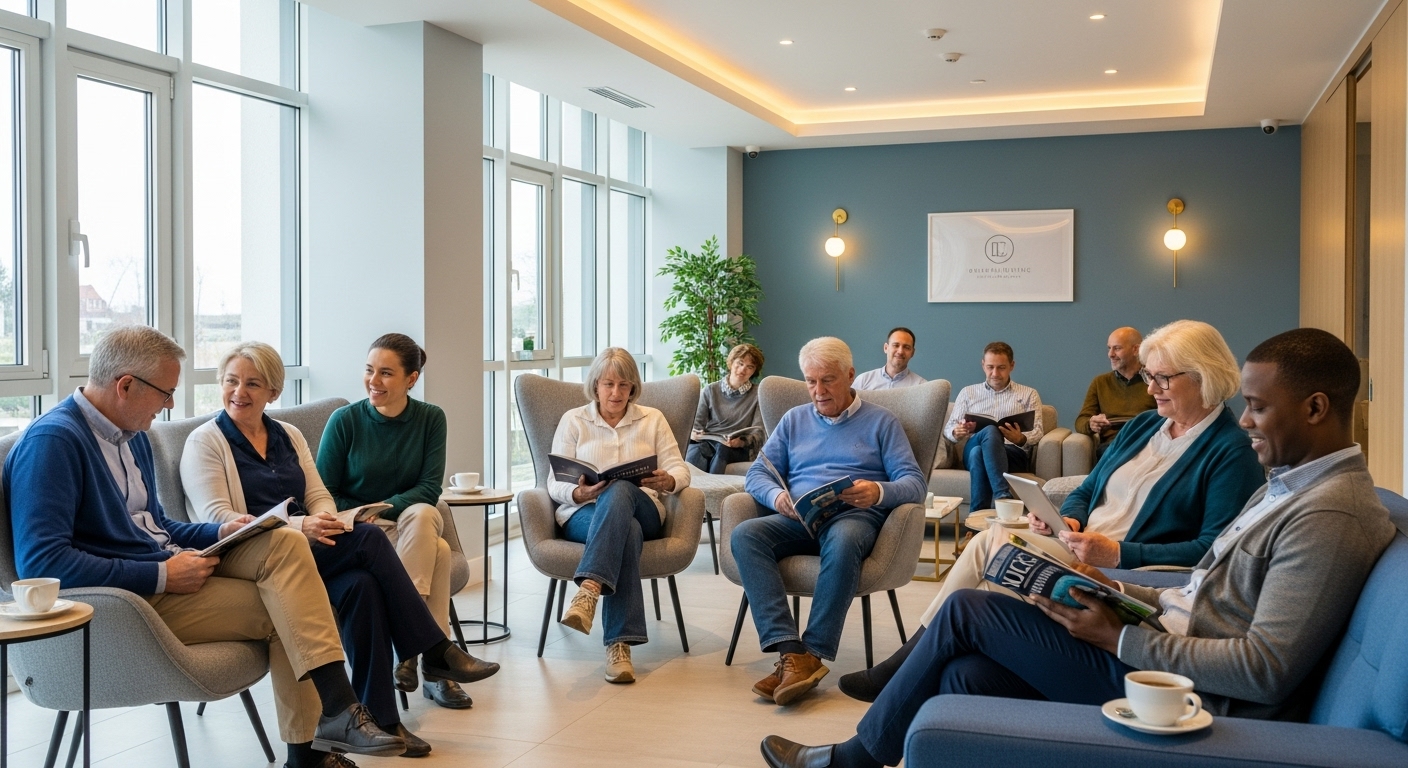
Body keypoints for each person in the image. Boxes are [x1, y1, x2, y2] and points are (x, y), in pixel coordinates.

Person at [759, 327, 1396, 768]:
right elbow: (1203, 588)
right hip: (1158, 630)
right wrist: (1124, 594)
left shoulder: (1330, 512)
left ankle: (853, 760)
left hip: (1181, 690)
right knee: (961, 674)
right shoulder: (1290, 487)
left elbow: (1264, 670)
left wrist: (1117, 635)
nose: (1247, 420)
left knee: (966, 610)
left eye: (1257, 407)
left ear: (1315, 408)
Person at [5, 326, 408, 768]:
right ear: (125, 386)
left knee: (283, 542)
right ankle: (313, 750)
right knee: (291, 607)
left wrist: (218, 532)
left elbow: (156, 526)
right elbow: (42, 565)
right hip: (126, 605)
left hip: (166, 569)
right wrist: (161, 575)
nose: (169, 405)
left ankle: (337, 714)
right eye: (166, 393)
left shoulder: (131, 436)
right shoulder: (54, 442)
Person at [839, 319, 1264, 702]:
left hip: (1118, 569)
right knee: (992, 548)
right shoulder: (1144, 426)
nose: (1151, 389)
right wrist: (1071, 518)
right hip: (1078, 543)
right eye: (1150, 377)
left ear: (1204, 376)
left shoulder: (1230, 451)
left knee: (991, 545)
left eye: (1163, 378)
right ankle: (922, 665)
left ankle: (904, 667)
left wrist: (1118, 553)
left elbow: (1212, 552)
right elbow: (1088, 487)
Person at [181, 342, 500, 757]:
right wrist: (304, 525)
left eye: (253, 384)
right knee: (368, 539)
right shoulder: (205, 442)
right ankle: (434, 649)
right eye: (231, 381)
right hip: (253, 556)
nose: (239, 392)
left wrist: (324, 520)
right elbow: (221, 519)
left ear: (273, 391)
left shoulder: (288, 435)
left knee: (362, 585)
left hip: (306, 547)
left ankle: (383, 719)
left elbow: (319, 494)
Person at [734, 337, 927, 707]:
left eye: (827, 380)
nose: (818, 391)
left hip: (853, 517)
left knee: (844, 538)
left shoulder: (882, 422)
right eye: (810, 382)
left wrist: (877, 491)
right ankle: (791, 652)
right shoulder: (793, 420)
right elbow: (757, 473)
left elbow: (915, 484)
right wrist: (777, 497)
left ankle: (813, 652)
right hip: (800, 518)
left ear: (850, 376)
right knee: (745, 535)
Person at [315, 334, 464, 708]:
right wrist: (367, 514)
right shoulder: (345, 421)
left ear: (411, 379)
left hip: (409, 526)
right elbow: (324, 492)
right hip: (361, 531)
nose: (373, 381)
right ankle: (431, 662)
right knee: (439, 551)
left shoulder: (431, 418)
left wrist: (381, 507)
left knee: (425, 513)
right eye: (369, 370)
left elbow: (429, 488)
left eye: (385, 373)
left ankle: (412, 649)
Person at [944, 341, 1044, 512]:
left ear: (1012, 366)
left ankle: (975, 519)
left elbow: (1038, 431)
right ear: (983, 365)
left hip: (1012, 453)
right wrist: (957, 432)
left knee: (978, 454)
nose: (995, 373)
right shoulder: (968, 393)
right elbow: (949, 429)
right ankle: (1002, 494)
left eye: (1001, 368)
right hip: (973, 445)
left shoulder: (1029, 394)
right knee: (989, 432)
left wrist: (1021, 438)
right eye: (990, 367)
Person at [1075, 327, 1158, 457]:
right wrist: (1091, 423)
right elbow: (1081, 421)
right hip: (1113, 445)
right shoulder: (1100, 382)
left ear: (1136, 349)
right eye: (1109, 348)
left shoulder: (1155, 380)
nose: (1110, 354)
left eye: (1117, 348)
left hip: (1147, 440)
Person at [688, 343, 766, 474]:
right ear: (731, 362)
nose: (743, 369)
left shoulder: (758, 394)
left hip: (737, 448)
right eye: (740, 363)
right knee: (696, 450)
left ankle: (714, 487)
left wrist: (741, 442)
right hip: (709, 441)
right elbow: (696, 425)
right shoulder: (710, 390)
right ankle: (693, 486)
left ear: (754, 371)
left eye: (750, 367)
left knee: (722, 449)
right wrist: (694, 434)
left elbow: (758, 433)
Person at [854, 328, 926, 390]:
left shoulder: (922, 386)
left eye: (906, 347)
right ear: (886, 348)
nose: (900, 351)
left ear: (912, 353)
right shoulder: (863, 381)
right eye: (896, 345)